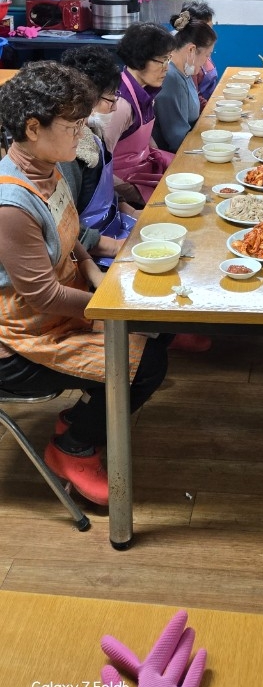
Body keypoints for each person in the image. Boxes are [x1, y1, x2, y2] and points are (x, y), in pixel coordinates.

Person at [0, 62, 169, 503]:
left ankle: (81, 418)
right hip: (21, 338)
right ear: (32, 128)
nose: (82, 133)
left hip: (59, 308)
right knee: (147, 363)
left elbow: (69, 231)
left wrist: (94, 270)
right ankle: (73, 446)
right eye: (73, 126)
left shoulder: (47, 167)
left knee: (161, 326)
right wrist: (110, 304)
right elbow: (42, 295)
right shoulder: (11, 204)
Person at [60, 45, 136, 264]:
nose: (114, 108)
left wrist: (130, 211)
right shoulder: (68, 154)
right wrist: (116, 248)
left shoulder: (93, 132)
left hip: (112, 226)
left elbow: (104, 190)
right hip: (90, 251)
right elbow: (65, 227)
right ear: (84, 99)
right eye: (110, 100)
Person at [101, 24, 175, 207]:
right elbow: (99, 164)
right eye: (162, 60)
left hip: (142, 168)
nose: (167, 68)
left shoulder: (145, 90)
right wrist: (132, 194)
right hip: (123, 184)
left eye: (169, 59)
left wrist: (159, 159)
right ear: (140, 59)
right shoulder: (120, 105)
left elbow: (144, 137)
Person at [153, 11, 218, 153]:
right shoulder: (170, 78)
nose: (206, 61)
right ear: (191, 50)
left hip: (188, 143)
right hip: (173, 155)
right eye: (207, 55)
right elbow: (177, 139)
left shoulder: (186, 71)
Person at [177, 0, 218, 110]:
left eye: (211, 28)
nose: (211, 34)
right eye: (207, 30)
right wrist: (211, 109)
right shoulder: (189, 60)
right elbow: (193, 97)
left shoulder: (203, 48)